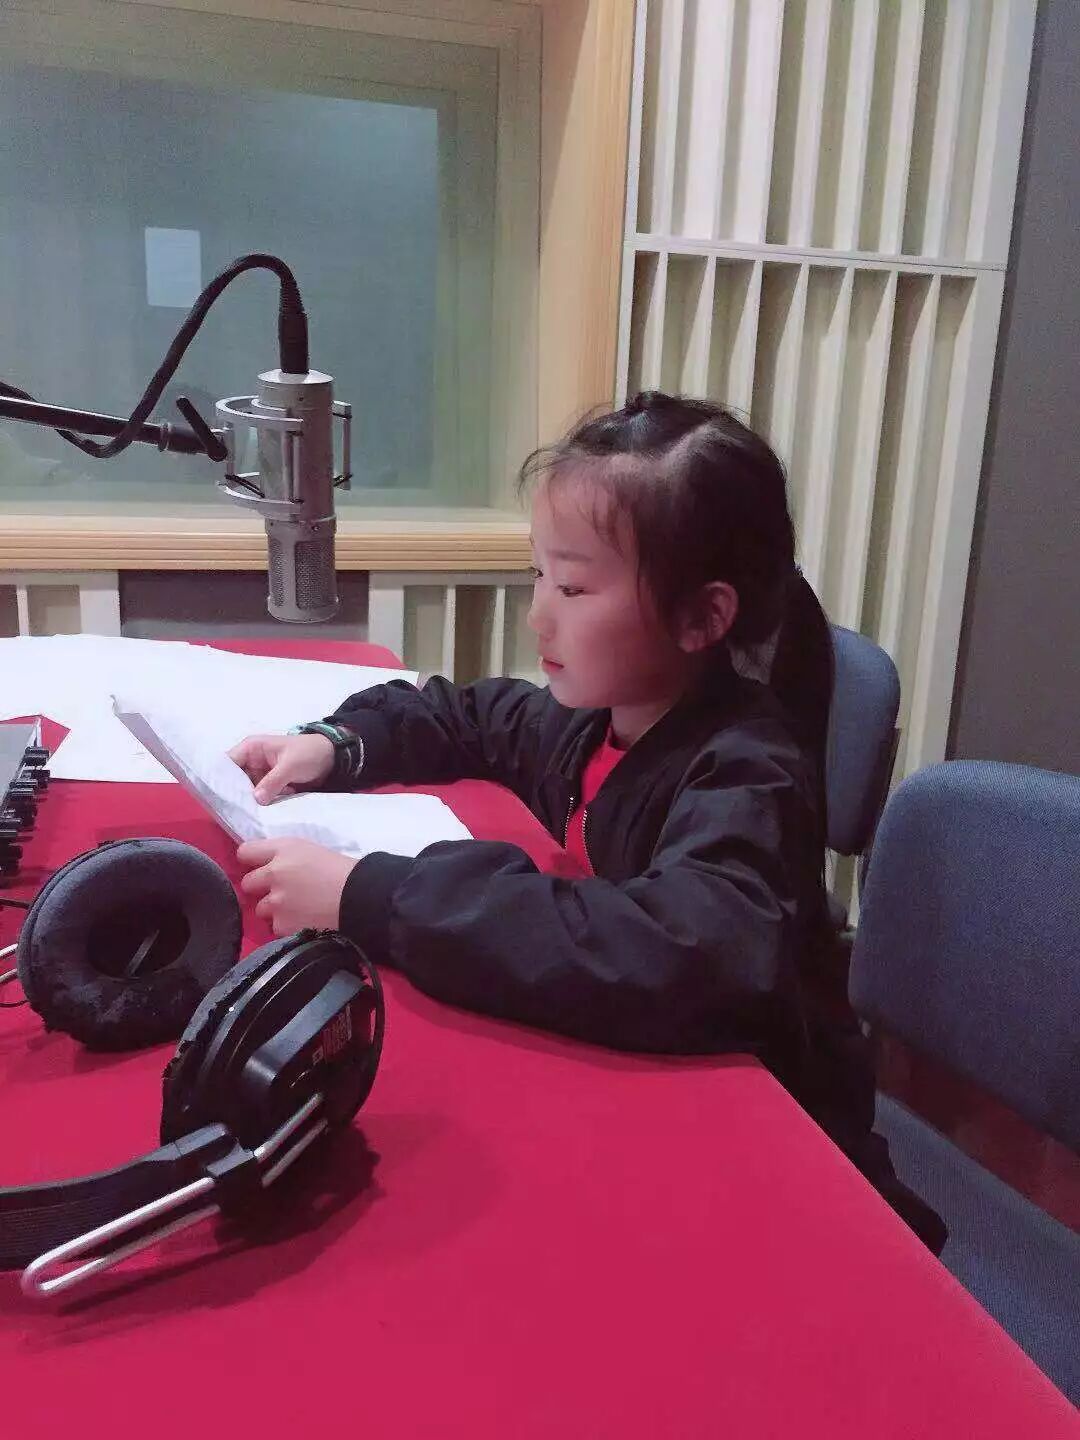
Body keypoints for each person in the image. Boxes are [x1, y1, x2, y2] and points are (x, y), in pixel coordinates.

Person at [230, 390, 945, 1251]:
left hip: (782, 1155)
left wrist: (372, 897)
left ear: (703, 617)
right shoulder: (593, 720)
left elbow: (679, 950)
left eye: (572, 586)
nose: (539, 613)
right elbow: (468, 715)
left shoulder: (749, 772)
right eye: (540, 575)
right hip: (656, 1097)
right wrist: (338, 744)